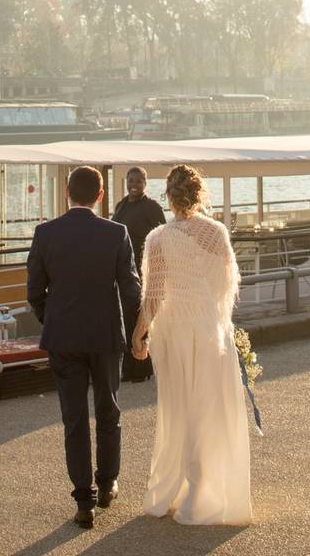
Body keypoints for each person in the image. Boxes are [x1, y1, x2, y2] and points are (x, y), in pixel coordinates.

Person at [132, 164, 253, 525]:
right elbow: (225, 289)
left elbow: (152, 298)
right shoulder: (217, 233)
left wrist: (140, 334)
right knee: (209, 408)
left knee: (179, 408)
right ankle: (204, 490)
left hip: (175, 335)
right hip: (210, 330)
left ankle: (184, 486)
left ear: (168, 197)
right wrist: (211, 318)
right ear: (200, 194)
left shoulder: (157, 238)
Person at [27, 166, 141, 530]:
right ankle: (108, 484)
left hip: (64, 337)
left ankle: (83, 500)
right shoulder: (116, 233)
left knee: (74, 419)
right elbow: (130, 288)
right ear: (102, 195)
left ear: (67, 193)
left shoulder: (45, 234)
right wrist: (138, 330)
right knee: (109, 410)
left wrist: (54, 318)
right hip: (106, 336)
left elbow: (34, 292)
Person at [112, 166, 165, 383]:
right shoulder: (121, 205)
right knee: (125, 315)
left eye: (138, 181)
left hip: (143, 269)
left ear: (145, 183)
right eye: (130, 180)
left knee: (139, 316)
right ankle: (128, 367)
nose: (133, 184)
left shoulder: (151, 206)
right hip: (123, 269)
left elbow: (163, 234)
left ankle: (142, 368)